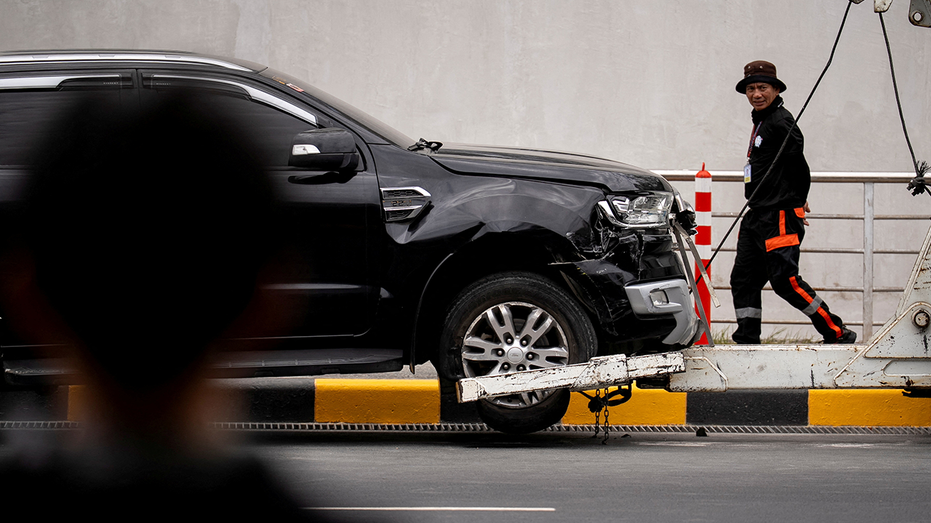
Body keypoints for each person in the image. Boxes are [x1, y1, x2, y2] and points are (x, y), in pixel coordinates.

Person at [730, 60, 856, 345]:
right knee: (743, 280)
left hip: (779, 216)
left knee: (785, 281)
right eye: (751, 88)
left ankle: (835, 332)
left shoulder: (781, 121)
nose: (756, 94)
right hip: (756, 216)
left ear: (775, 89)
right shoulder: (761, 121)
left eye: (762, 87)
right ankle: (747, 340)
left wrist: (798, 201)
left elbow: (799, 165)